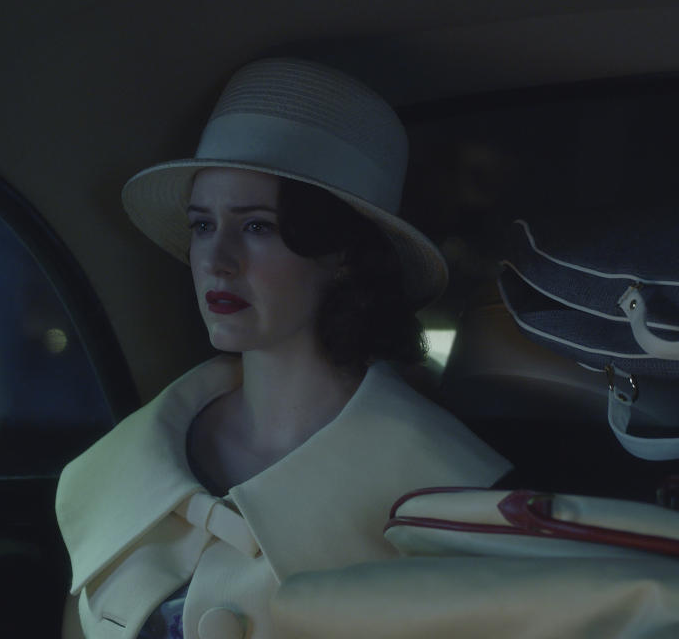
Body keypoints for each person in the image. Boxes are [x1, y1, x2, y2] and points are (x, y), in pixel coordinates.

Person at [56, 58, 511, 639]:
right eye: (201, 225)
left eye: (256, 227)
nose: (216, 260)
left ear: (342, 251)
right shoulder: (120, 466)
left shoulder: (447, 495)